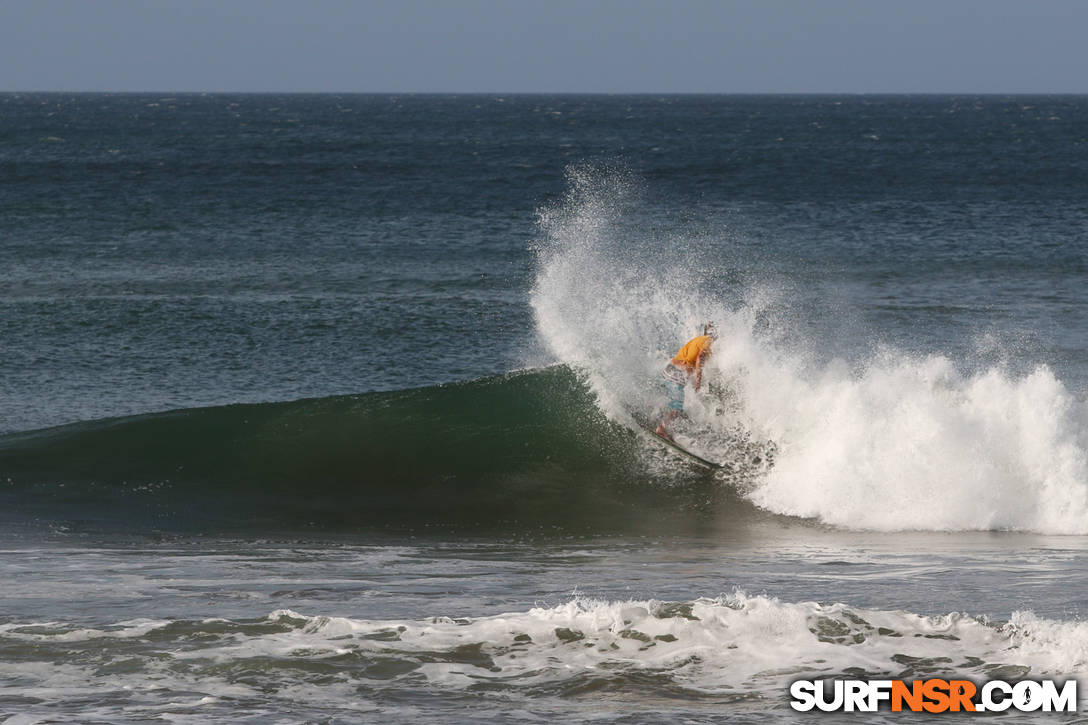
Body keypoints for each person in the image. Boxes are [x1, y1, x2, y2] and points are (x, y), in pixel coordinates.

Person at [655, 323, 717, 440]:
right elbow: (700, 357)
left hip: (670, 370)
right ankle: (661, 429)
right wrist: (698, 380)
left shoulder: (699, 340)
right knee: (677, 407)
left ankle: (660, 421)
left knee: (674, 403)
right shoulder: (708, 341)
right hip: (676, 374)